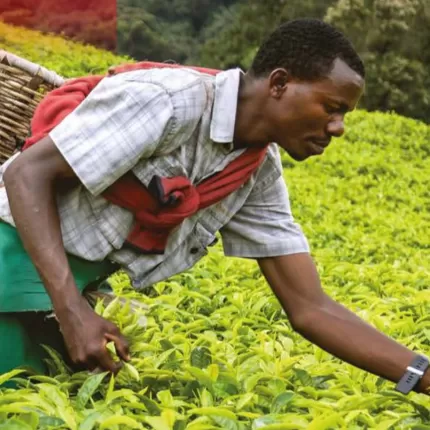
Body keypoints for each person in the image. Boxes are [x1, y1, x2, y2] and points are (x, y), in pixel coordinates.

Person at [0, 18, 428, 395]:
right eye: (332, 108)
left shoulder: (256, 172)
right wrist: (71, 310)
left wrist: (423, 377)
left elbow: (311, 307)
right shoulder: (169, 101)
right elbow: (25, 175)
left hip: (56, 292)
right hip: (13, 260)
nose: (338, 128)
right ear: (279, 84)